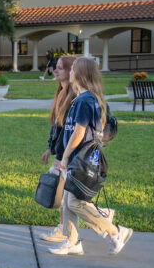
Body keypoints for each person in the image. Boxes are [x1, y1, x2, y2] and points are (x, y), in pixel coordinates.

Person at [48, 57, 133, 256]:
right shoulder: (83, 98)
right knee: (69, 201)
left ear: (80, 74)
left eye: (73, 70)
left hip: (81, 159)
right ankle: (72, 241)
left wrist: (66, 156)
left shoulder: (86, 100)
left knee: (76, 202)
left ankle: (115, 232)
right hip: (78, 159)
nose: (70, 73)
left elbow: (79, 132)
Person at [36, 56, 113, 244]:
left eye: (62, 68)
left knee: (70, 199)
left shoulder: (78, 97)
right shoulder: (62, 92)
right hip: (68, 154)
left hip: (74, 156)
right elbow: (57, 127)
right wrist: (49, 148)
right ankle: (70, 237)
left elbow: (74, 130)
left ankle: (108, 226)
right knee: (68, 199)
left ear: (75, 71)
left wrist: (62, 156)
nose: (57, 71)